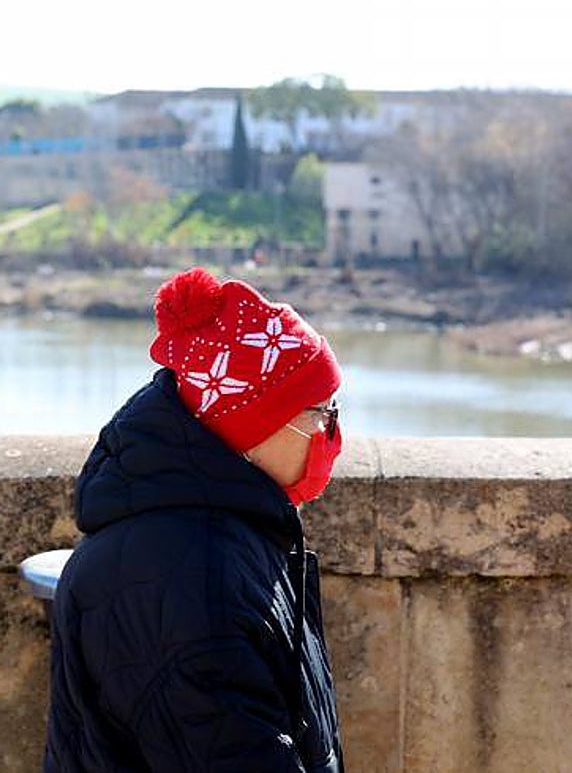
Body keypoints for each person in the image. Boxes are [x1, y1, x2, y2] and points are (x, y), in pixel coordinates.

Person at [44, 267, 346, 772]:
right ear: (254, 425)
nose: (330, 433)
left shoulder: (218, 536)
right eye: (320, 412)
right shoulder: (194, 582)